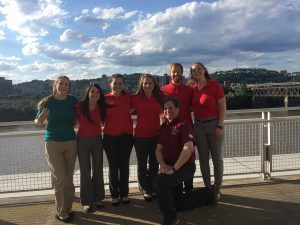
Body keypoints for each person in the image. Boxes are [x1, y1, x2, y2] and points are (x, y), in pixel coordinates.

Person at [34, 76, 77, 223]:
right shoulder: (47, 101)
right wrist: (41, 117)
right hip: (52, 142)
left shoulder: (73, 101)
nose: (64, 86)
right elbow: (37, 122)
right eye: (61, 84)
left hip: (71, 142)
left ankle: (68, 207)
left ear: (69, 87)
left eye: (66, 84)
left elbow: (80, 117)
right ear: (56, 85)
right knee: (60, 178)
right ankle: (61, 211)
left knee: (69, 178)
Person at [153, 97, 196, 225]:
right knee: (177, 202)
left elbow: (188, 148)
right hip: (170, 166)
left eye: (171, 107)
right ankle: (209, 194)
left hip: (185, 167)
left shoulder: (183, 124)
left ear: (178, 109)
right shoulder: (164, 127)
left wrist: (174, 169)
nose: (167, 110)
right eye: (165, 108)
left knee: (159, 182)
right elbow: (158, 150)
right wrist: (162, 164)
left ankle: (171, 219)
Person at [189, 61, 226, 202]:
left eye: (198, 69)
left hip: (213, 124)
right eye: (193, 70)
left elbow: (222, 107)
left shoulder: (215, 86)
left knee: (217, 158)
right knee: (203, 159)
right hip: (198, 126)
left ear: (204, 70)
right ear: (192, 74)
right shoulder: (193, 89)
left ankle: (217, 188)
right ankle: (207, 189)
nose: (196, 71)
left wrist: (220, 126)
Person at [161, 63, 194, 194]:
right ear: (170, 73)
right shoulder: (163, 90)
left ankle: (189, 188)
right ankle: (176, 189)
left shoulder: (189, 90)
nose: (177, 74)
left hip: (186, 130)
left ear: (182, 73)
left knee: (188, 158)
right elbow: (161, 111)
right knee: (174, 157)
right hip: (171, 131)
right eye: (174, 71)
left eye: (179, 71)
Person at [132, 74, 163, 201]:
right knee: (142, 164)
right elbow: (123, 110)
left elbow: (167, 110)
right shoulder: (136, 98)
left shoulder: (159, 97)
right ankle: (145, 188)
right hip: (140, 136)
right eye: (145, 83)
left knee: (155, 163)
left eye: (150, 83)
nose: (148, 85)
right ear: (141, 84)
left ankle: (153, 187)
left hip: (156, 135)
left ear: (154, 84)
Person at [103, 74, 133, 206]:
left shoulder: (128, 97)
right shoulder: (104, 99)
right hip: (110, 137)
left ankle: (124, 194)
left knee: (124, 166)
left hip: (126, 137)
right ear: (110, 84)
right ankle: (114, 195)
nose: (118, 86)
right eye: (115, 83)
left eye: (120, 83)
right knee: (113, 167)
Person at [76, 83, 106, 212]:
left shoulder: (102, 107)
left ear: (100, 95)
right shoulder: (79, 106)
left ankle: (99, 197)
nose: (94, 94)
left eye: (97, 92)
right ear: (88, 92)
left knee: (98, 169)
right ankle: (87, 201)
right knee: (85, 171)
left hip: (97, 140)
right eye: (92, 92)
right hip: (82, 141)